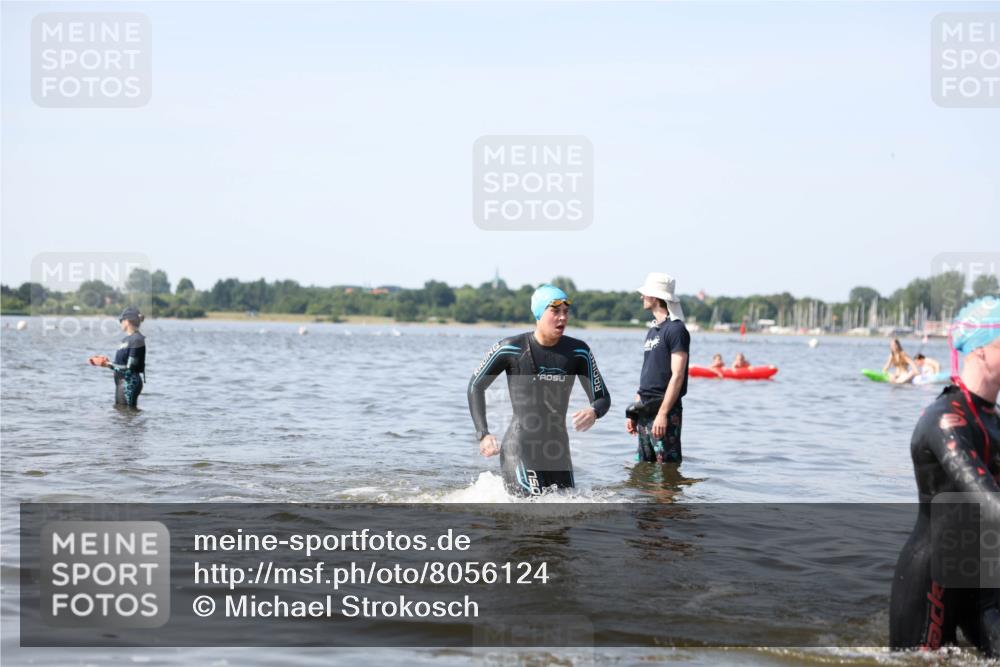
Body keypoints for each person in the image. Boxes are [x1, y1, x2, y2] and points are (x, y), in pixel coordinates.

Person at [890, 297, 1000, 655]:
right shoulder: (945, 418)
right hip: (932, 577)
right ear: (980, 351)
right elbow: (986, 502)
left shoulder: (993, 421)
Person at [467, 284, 610, 497]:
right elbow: (476, 386)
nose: (563, 318)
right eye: (555, 311)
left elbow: (602, 398)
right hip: (520, 447)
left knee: (564, 522)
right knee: (533, 511)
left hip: (558, 451)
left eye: (566, 312)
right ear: (538, 314)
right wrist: (483, 434)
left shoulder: (578, 352)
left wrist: (593, 411)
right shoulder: (511, 347)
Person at [625, 273, 690, 464]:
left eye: (645, 294)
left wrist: (663, 414)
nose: (641, 297)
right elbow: (647, 375)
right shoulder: (652, 331)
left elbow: (677, 376)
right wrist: (634, 411)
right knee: (643, 469)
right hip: (644, 409)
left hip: (665, 409)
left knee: (666, 468)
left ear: (654, 297)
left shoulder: (676, 330)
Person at [99, 307, 146, 407]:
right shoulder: (126, 339)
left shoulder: (137, 339)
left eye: (121, 320)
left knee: (126, 415)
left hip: (129, 383)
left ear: (127, 321)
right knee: (121, 414)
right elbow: (121, 362)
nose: (120, 323)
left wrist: (108, 365)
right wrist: (108, 362)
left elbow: (130, 367)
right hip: (121, 382)